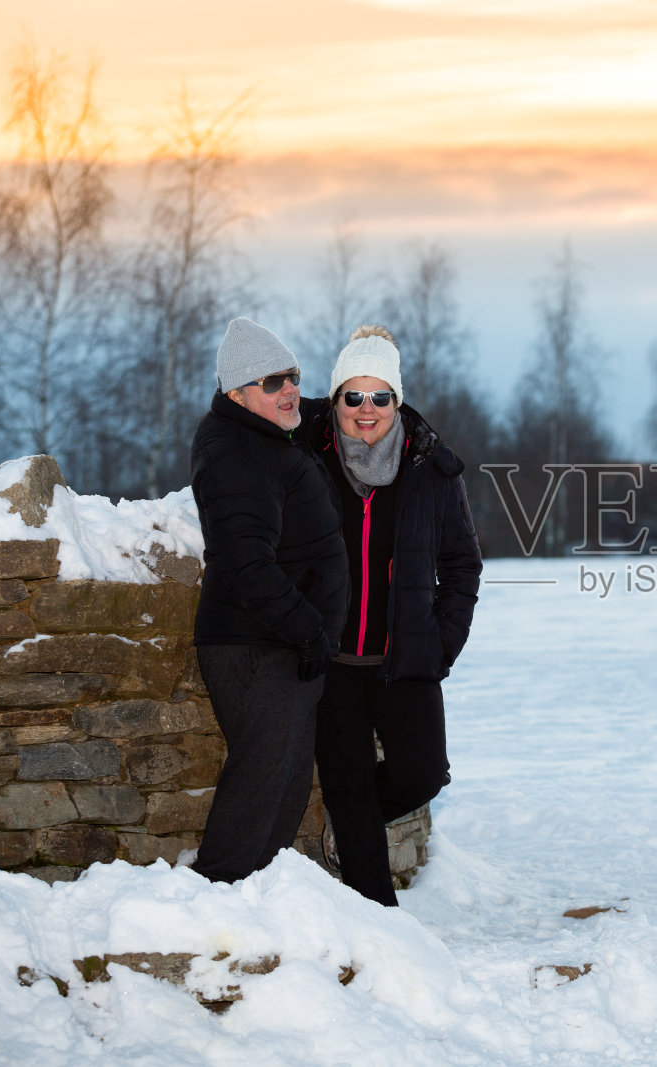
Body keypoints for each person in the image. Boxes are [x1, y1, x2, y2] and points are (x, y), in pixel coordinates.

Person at [294, 324, 481, 907]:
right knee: (349, 791)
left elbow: (462, 566)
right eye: (353, 396)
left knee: (423, 776)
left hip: (404, 660)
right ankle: (381, 928)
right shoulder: (303, 460)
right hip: (331, 663)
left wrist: (438, 643)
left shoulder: (431, 470)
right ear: (335, 401)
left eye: (381, 396)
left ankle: (350, 834)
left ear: (397, 401)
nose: (366, 409)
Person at [189, 316, 348, 884]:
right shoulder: (234, 452)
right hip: (254, 645)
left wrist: (367, 394)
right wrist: (308, 631)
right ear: (236, 392)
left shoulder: (262, 434)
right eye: (273, 381)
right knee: (260, 782)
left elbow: (327, 412)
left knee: (282, 786)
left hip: (280, 644)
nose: (290, 391)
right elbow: (244, 562)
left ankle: (261, 908)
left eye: (294, 377)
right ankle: (215, 902)